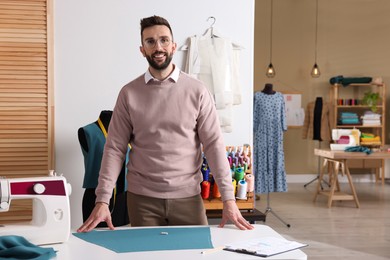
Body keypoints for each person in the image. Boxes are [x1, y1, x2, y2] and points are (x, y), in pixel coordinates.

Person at [77, 15, 253, 232]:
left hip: (188, 198)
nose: (157, 47)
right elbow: (114, 149)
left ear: (173, 46)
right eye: (150, 41)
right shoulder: (129, 93)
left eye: (163, 40)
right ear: (142, 49)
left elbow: (214, 145)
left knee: (196, 254)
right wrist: (102, 200)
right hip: (142, 200)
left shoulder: (197, 91)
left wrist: (228, 199)